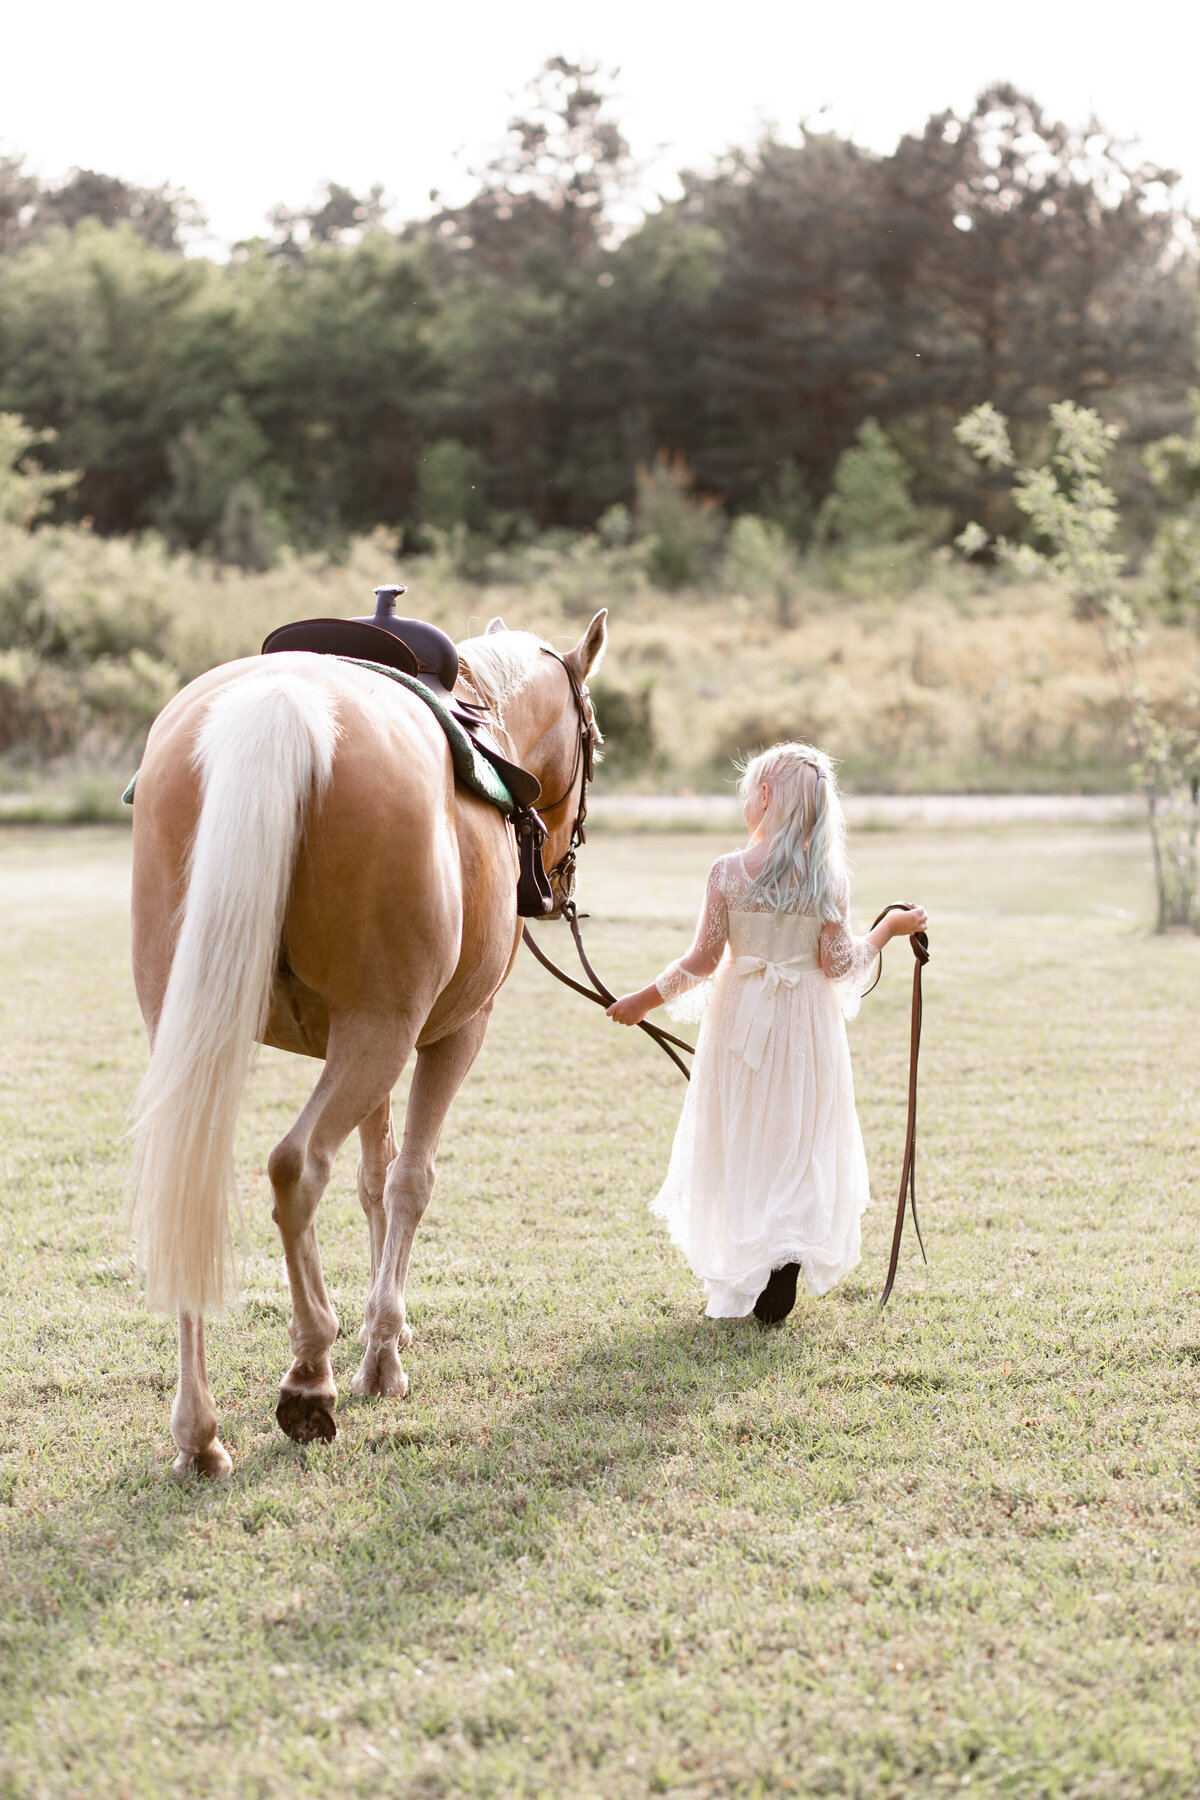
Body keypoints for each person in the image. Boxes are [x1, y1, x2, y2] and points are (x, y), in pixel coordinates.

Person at [605, 744, 927, 1326]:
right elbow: (837, 962)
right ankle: (783, 1255)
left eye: (752, 789)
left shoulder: (728, 871)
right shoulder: (827, 878)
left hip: (740, 1020)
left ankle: (758, 1256)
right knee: (798, 1136)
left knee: (743, 1133)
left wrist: (641, 1001)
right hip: (805, 1024)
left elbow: (701, 961)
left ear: (767, 799)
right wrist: (886, 932)